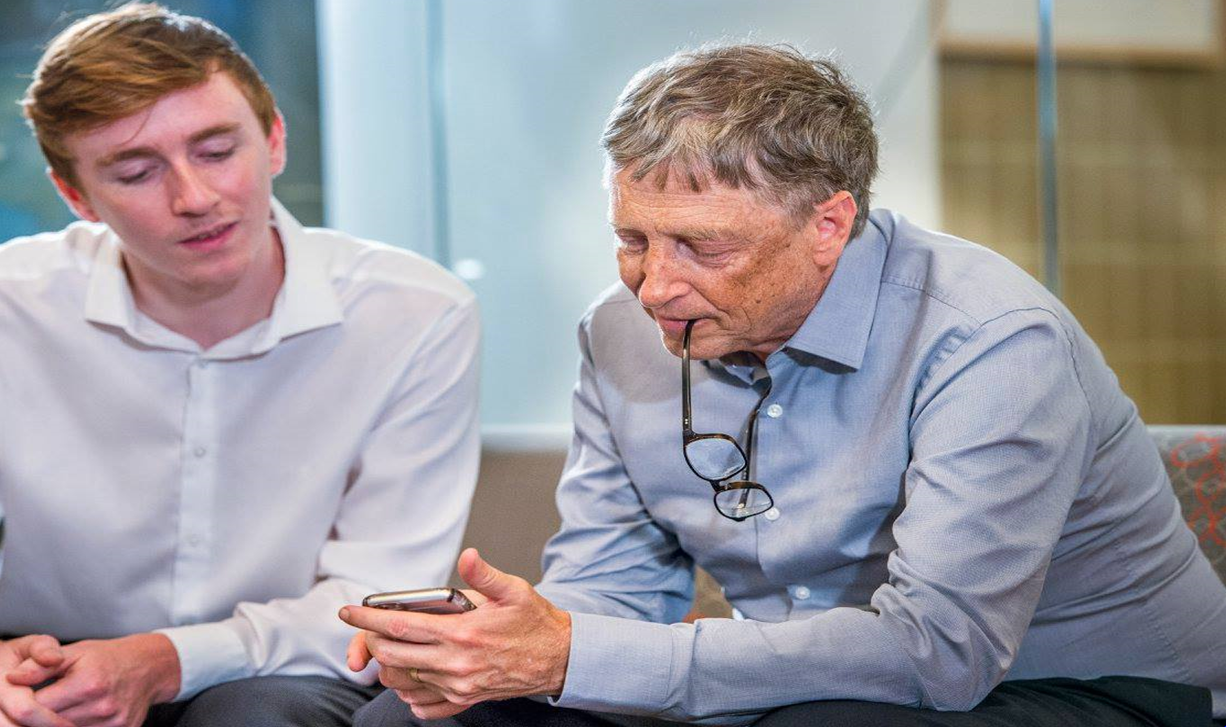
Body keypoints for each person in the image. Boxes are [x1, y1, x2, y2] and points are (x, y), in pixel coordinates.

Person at [344, 43, 1226, 727]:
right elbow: (608, 592)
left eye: (702, 246)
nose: (652, 285)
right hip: (797, 689)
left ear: (828, 224)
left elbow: (936, 657)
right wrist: (491, 647)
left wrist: (570, 654)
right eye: (633, 238)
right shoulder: (620, 332)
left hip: (1098, 690)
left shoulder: (990, 341)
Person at [0, 4, 480, 727]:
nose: (194, 198)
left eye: (216, 149)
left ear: (274, 139)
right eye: (135, 171)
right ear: (76, 197)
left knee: (254, 718)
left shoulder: (415, 313)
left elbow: (376, 594)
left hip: (280, 667)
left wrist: (166, 658)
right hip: (40, 655)